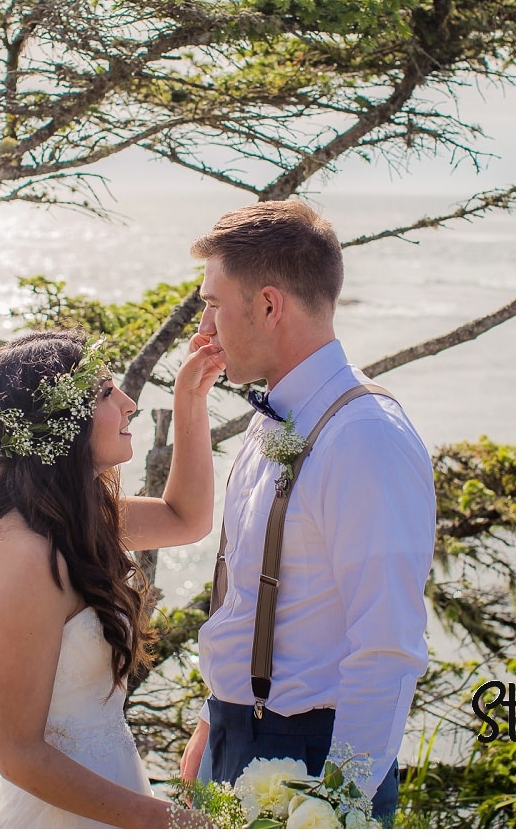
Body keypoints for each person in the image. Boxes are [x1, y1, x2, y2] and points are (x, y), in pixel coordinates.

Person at [176, 201, 434, 822]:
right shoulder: (274, 417)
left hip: (314, 764)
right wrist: (212, 731)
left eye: (213, 303)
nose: (203, 329)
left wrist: (338, 806)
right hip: (233, 740)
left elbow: (388, 645)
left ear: (268, 306)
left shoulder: (362, 437)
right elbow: (246, 598)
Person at [0, 328, 225, 828]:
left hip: (107, 788)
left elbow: (186, 519)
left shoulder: (71, 522)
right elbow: (21, 755)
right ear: (61, 423)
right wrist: (177, 823)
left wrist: (191, 398)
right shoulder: (25, 559)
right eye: (105, 394)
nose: (129, 403)